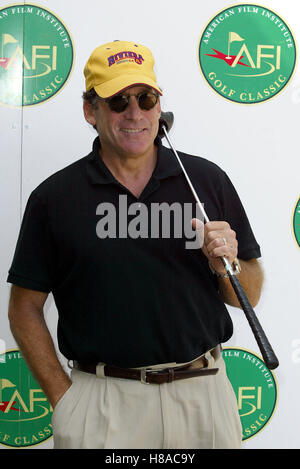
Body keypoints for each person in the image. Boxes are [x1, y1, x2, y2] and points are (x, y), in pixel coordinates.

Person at [7, 40, 263, 449]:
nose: (134, 113)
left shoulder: (206, 181)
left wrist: (225, 264)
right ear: (91, 111)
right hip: (103, 403)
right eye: (118, 101)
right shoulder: (54, 198)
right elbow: (23, 307)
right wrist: (65, 398)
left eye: (145, 99)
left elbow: (248, 292)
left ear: (159, 108)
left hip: (201, 397)